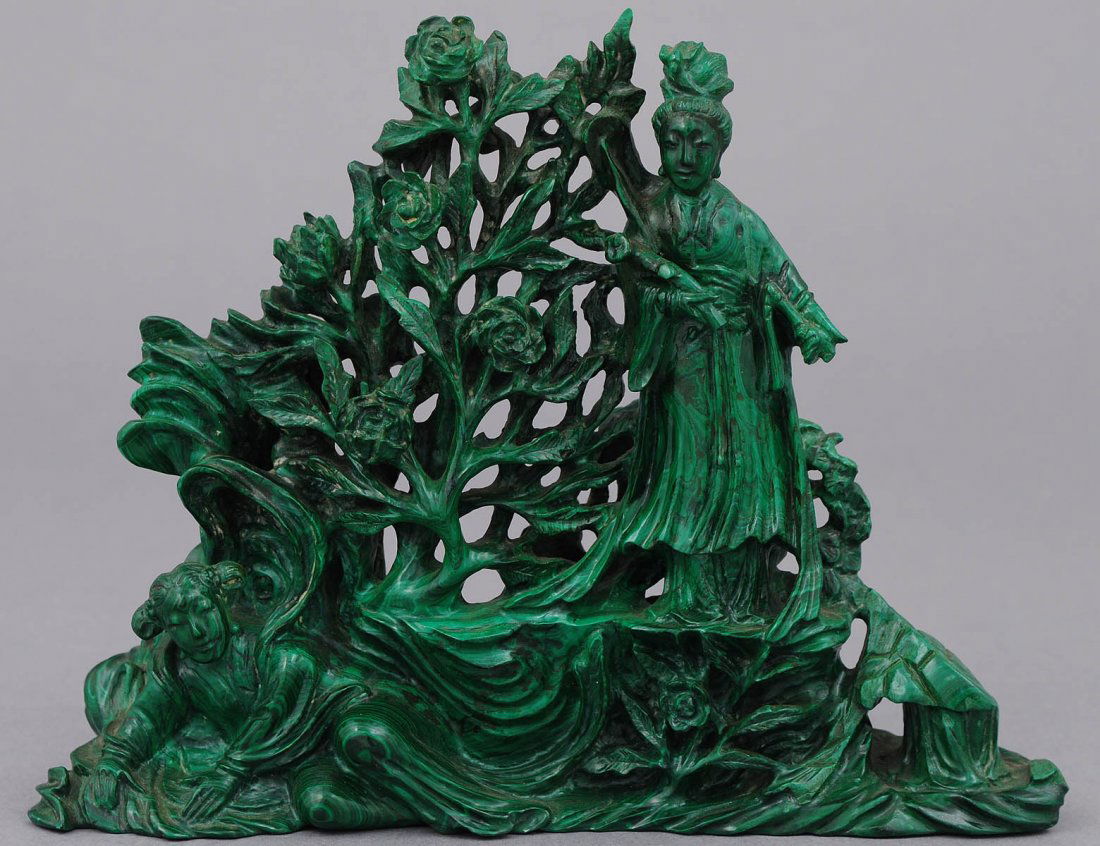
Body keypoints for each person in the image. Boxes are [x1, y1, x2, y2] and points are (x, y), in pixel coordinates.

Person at [594, 41, 845, 635]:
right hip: (683, 367)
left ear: (720, 150)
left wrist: (812, 327)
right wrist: (676, 299)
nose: (685, 156)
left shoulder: (738, 220)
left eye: (699, 144)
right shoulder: (653, 209)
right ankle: (688, 596)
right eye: (673, 142)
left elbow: (786, 280)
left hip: (739, 364)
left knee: (740, 475)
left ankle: (745, 599)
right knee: (687, 476)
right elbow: (638, 272)